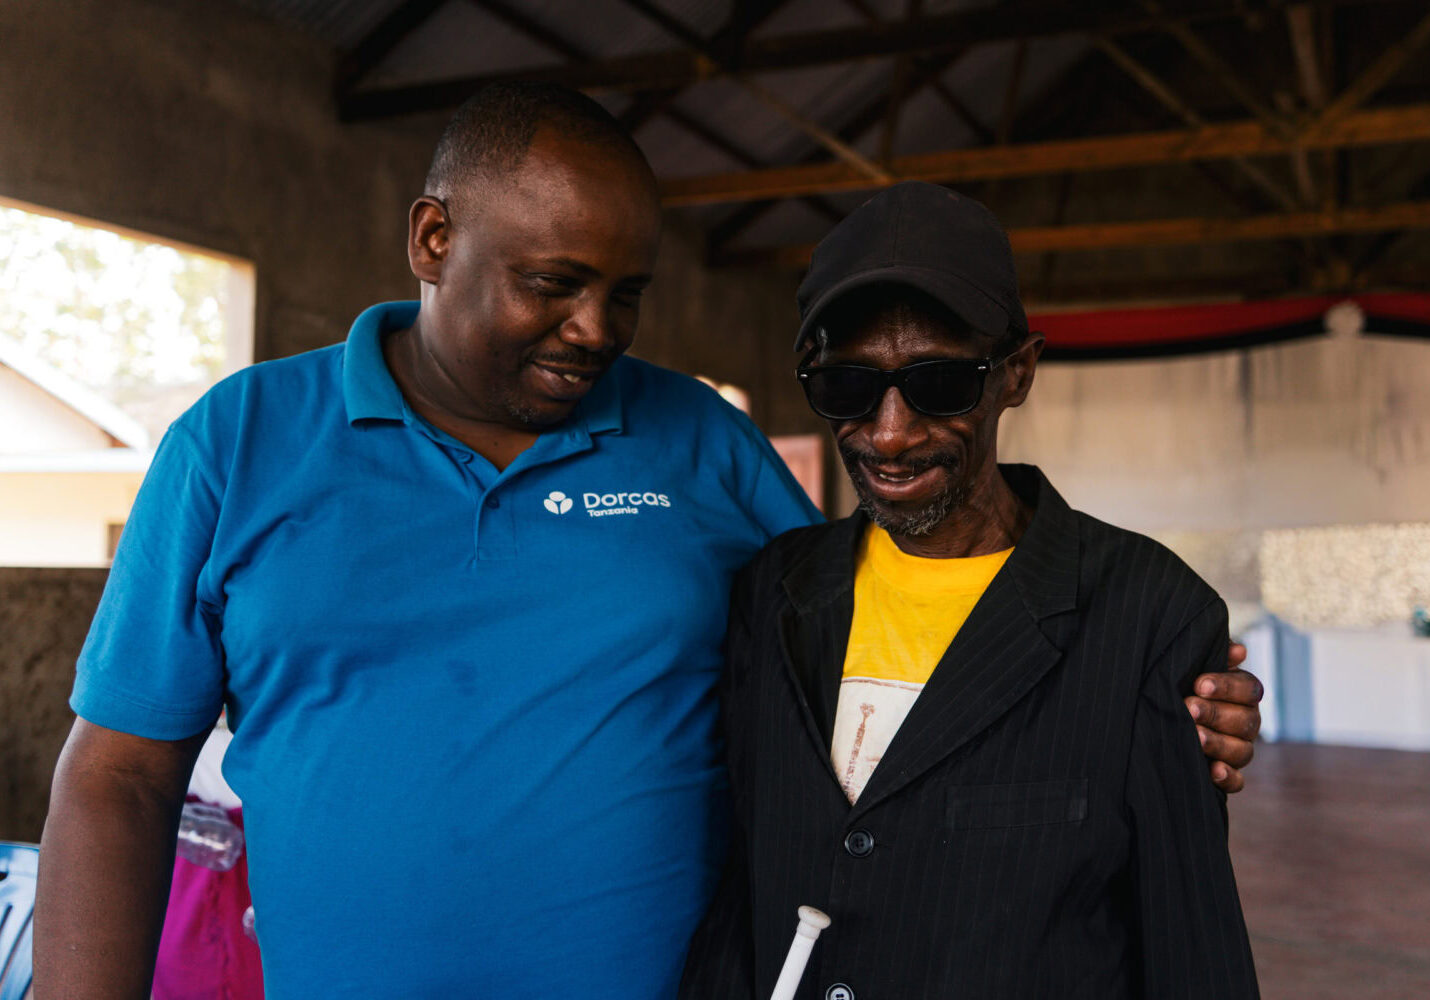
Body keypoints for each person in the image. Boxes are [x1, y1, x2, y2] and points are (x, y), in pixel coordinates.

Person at [35, 86, 1260, 999]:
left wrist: (1144, 697)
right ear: (431, 241)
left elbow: (883, 646)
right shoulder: (240, 444)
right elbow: (120, 773)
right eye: (552, 283)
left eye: (624, 293)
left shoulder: (696, 441)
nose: (593, 329)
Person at [680, 182, 1260, 998]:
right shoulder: (771, 594)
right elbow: (742, 884)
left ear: (1017, 372)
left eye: (940, 383)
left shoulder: (1149, 615)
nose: (889, 432)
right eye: (847, 387)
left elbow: (1189, 945)